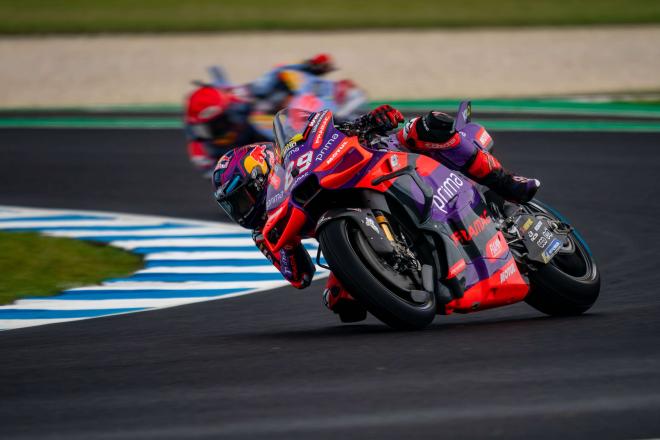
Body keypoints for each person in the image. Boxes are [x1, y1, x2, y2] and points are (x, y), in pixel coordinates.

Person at [212, 105, 540, 322]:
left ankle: (507, 183)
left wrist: (372, 119)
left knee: (427, 128)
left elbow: (327, 134)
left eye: (242, 199)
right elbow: (300, 276)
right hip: (349, 223)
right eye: (233, 207)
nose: (242, 211)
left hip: (379, 160)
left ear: (263, 174)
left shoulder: (293, 158)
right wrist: (278, 245)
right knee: (342, 304)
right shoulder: (269, 227)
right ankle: (411, 268)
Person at [185, 54, 337, 175]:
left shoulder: (241, 99)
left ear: (227, 114)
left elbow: (277, 73)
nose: (208, 135)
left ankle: (327, 127)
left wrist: (307, 66)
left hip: (278, 128)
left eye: (214, 127)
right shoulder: (205, 153)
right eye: (203, 129)